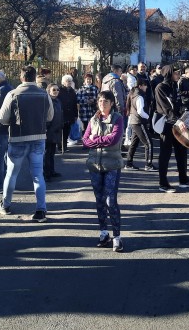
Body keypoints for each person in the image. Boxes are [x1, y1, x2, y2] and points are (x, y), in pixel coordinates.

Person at [0, 66, 54, 222]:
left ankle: (5, 205)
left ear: (21, 78)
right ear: (34, 78)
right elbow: (50, 116)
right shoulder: (44, 95)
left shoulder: (13, 94)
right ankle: (41, 209)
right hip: (38, 138)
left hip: (18, 138)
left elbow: (2, 118)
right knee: (38, 175)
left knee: (11, 174)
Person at [82, 91, 126, 252]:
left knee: (110, 201)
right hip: (94, 165)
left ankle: (117, 237)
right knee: (99, 200)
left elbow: (114, 139)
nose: (102, 104)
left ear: (112, 103)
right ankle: (103, 232)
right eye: (100, 101)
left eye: (106, 101)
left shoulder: (117, 119)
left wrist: (96, 139)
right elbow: (85, 141)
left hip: (112, 165)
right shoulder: (93, 119)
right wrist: (95, 141)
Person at [155, 65, 189, 192]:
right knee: (165, 154)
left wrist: (185, 117)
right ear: (169, 74)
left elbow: (178, 104)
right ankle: (163, 183)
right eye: (176, 73)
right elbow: (166, 109)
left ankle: (183, 179)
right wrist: (177, 121)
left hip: (177, 123)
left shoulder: (175, 86)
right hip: (166, 124)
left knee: (181, 151)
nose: (178, 75)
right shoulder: (160, 88)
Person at [124, 78, 154, 171]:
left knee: (134, 143)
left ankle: (129, 163)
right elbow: (140, 111)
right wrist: (148, 117)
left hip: (134, 121)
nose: (146, 87)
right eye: (145, 85)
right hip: (139, 121)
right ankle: (148, 164)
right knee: (148, 143)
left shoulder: (133, 94)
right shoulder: (140, 96)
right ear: (140, 86)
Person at [45, 83, 63, 180]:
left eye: (57, 90)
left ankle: (51, 171)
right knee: (47, 153)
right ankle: (46, 173)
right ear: (49, 91)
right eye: (54, 90)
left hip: (56, 130)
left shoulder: (58, 101)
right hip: (49, 130)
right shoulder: (47, 101)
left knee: (52, 152)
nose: (56, 92)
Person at [59, 74, 78, 151]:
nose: (69, 83)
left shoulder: (72, 91)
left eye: (70, 81)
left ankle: (64, 146)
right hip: (61, 113)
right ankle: (60, 146)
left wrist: (76, 114)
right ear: (63, 82)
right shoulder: (60, 90)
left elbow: (74, 103)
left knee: (67, 130)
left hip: (70, 114)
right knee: (61, 130)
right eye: (67, 81)